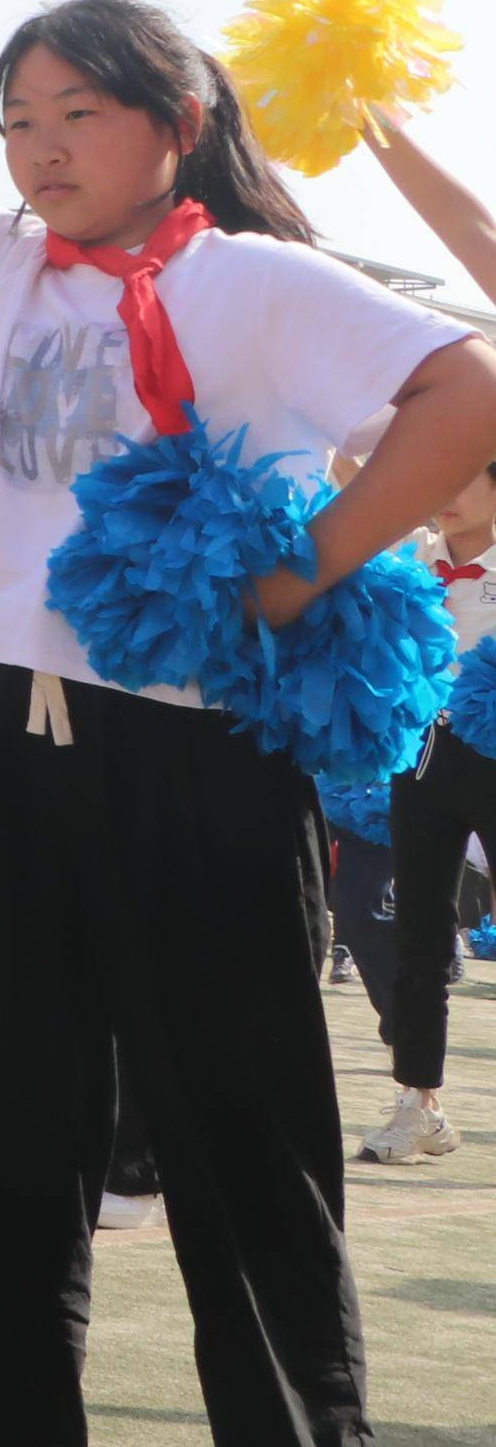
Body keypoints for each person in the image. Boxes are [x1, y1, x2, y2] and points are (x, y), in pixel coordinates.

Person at [0, 0, 496, 1440]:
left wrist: (304, 567)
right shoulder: (5, 266)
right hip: (0, 739)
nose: (40, 147)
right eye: (19, 119)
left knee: (239, 1132)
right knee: (13, 1130)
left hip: (191, 756)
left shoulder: (255, 281)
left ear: (181, 122)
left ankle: (293, 1423)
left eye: (78, 111)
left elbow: (465, 389)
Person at [350, 104, 496, 1169]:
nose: (441, 490)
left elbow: (475, 241)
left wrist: (381, 132)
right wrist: (360, 117)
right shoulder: (409, 563)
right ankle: (417, 1101)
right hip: (425, 752)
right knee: (413, 933)